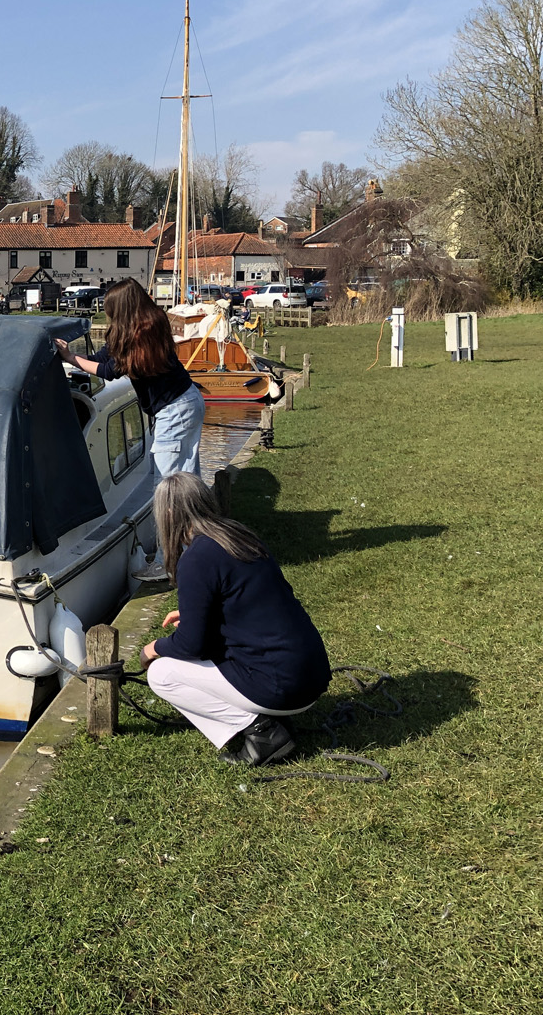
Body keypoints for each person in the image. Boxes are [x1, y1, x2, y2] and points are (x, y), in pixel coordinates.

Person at [139, 472, 331, 766]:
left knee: (162, 674)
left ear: (168, 513)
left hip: (284, 686)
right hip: (311, 674)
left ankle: (263, 732)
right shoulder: (237, 535)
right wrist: (195, 614)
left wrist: (153, 648)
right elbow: (245, 600)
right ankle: (269, 716)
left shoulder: (196, 558)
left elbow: (192, 646)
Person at [55, 278, 205, 578]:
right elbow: (103, 357)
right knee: (188, 485)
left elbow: (108, 370)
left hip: (174, 412)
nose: (109, 317)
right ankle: (198, 552)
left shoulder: (143, 336)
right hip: (187, 402)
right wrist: (73, 356)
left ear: (121, 310)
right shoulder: (149, 325)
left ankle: (169, 562)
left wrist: (70, 359)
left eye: (111, 312)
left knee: (167, 490)